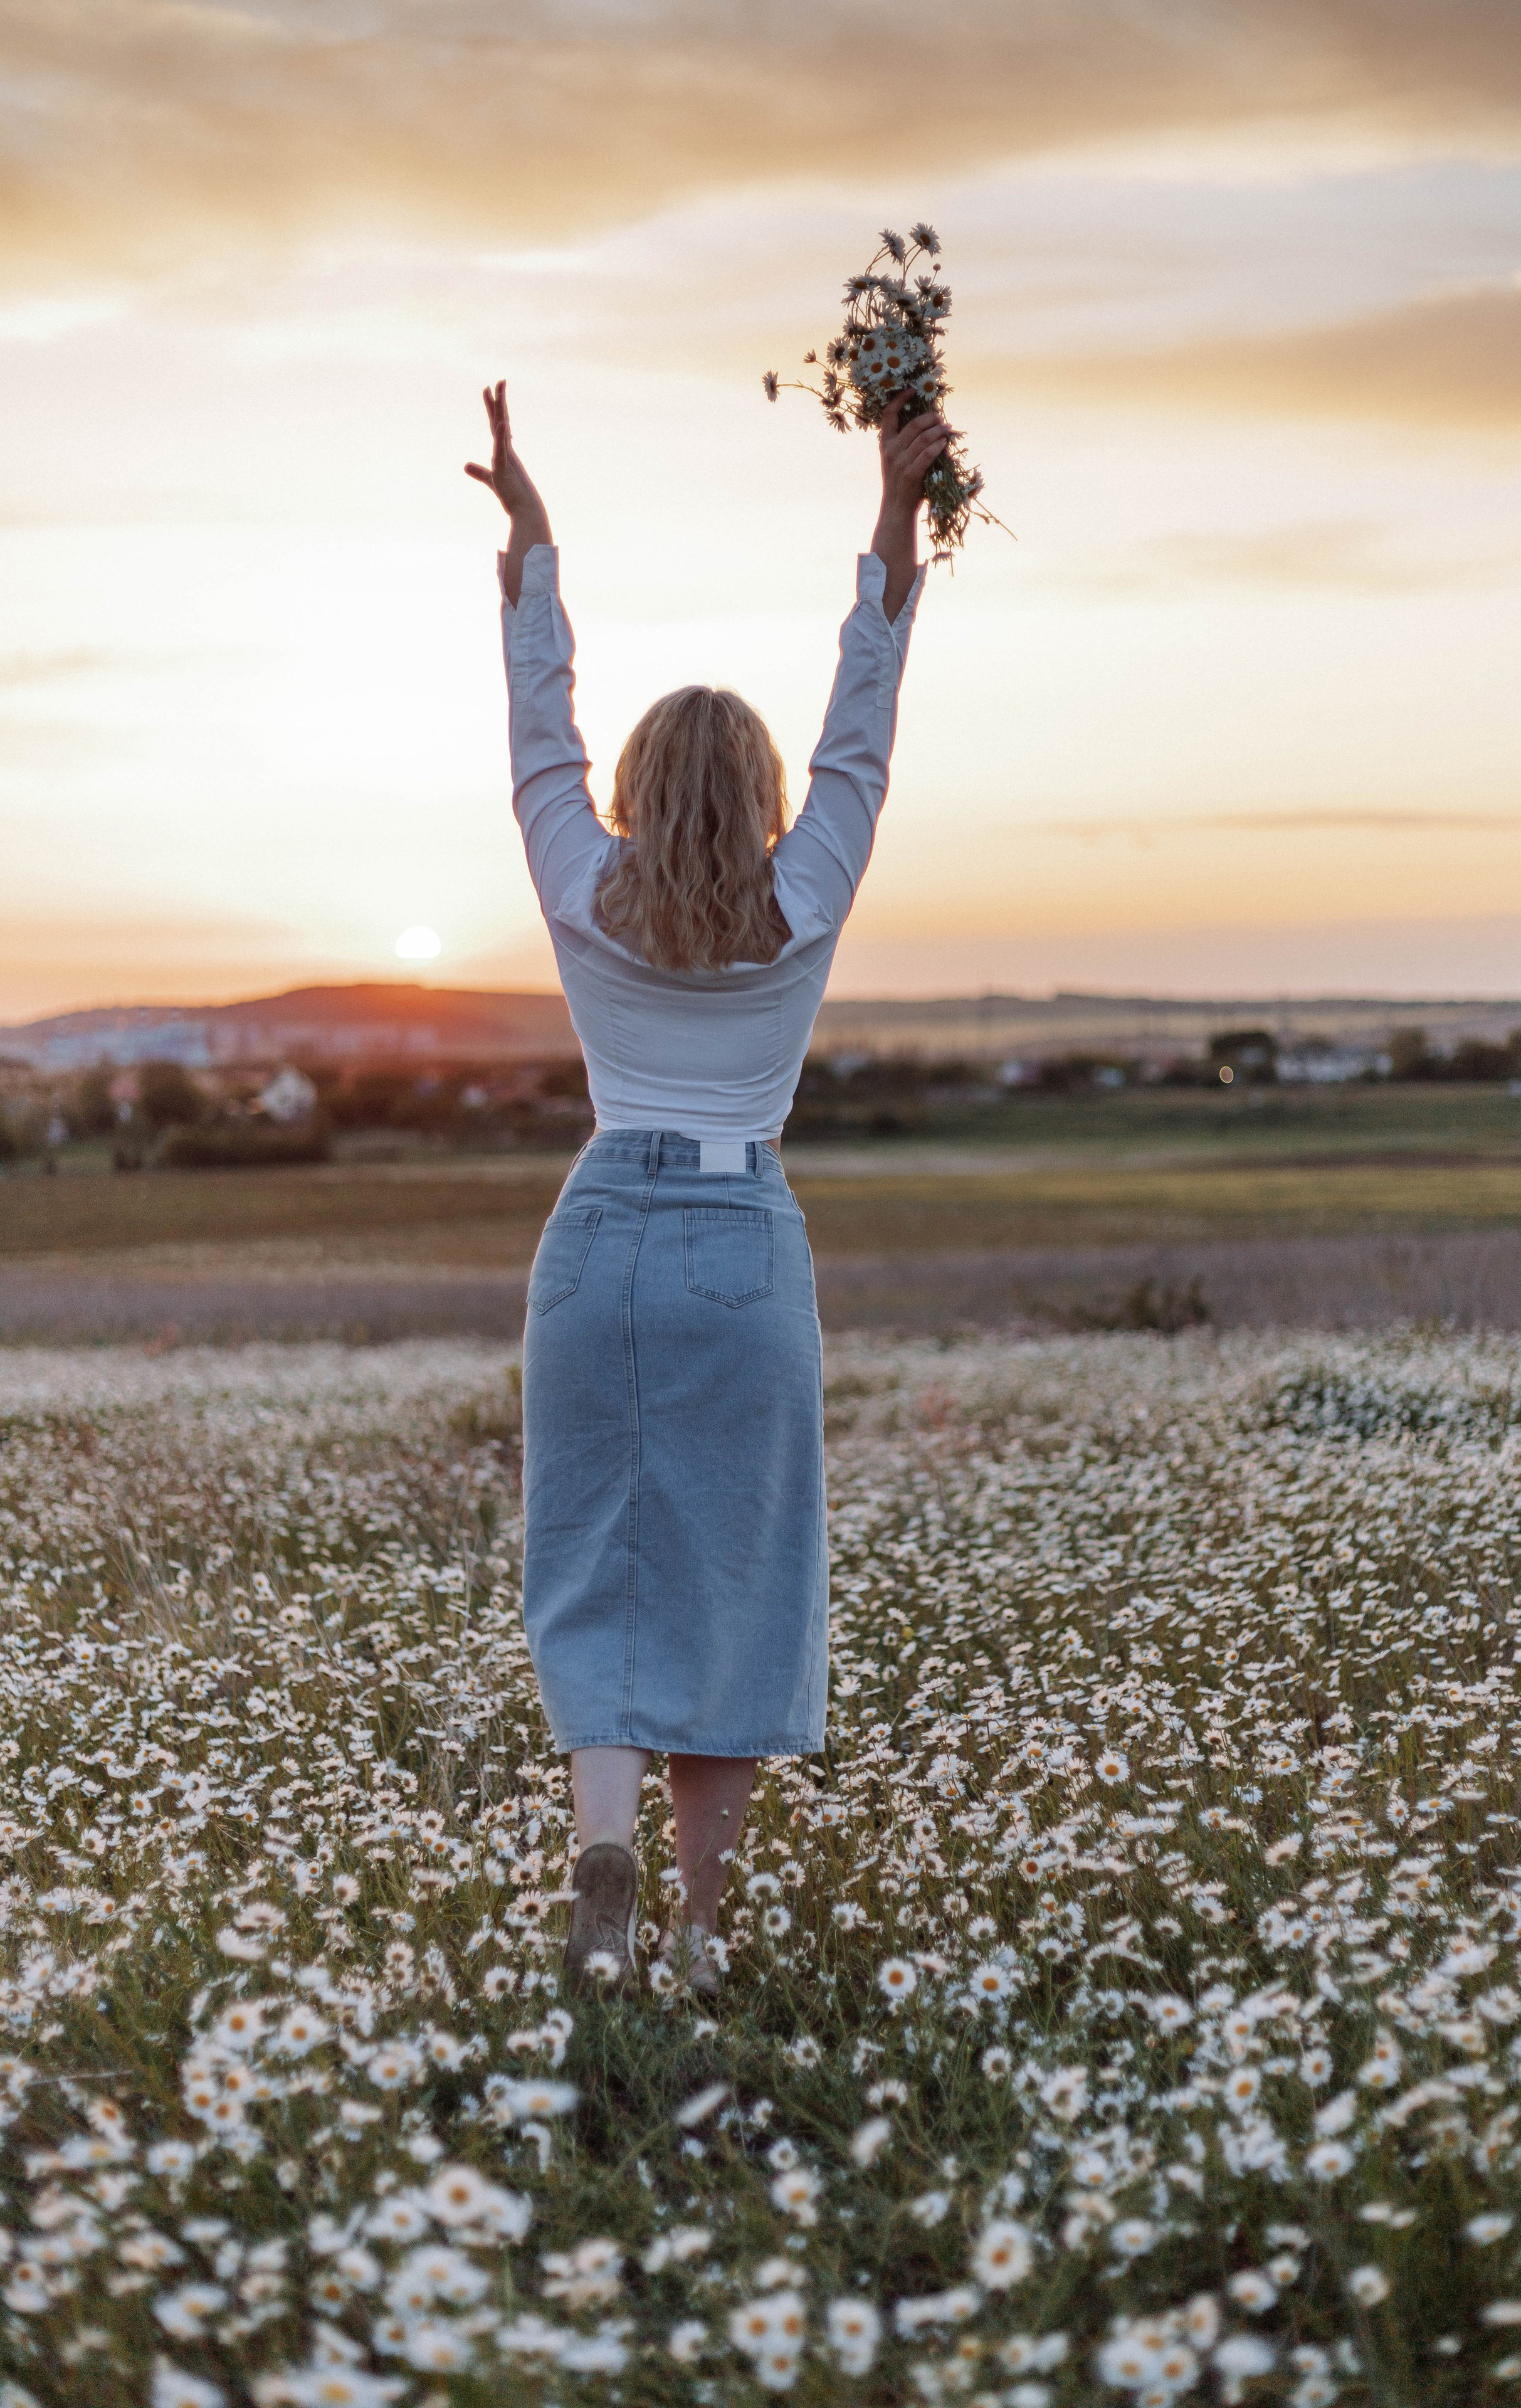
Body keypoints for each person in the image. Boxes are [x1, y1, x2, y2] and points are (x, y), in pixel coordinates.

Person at [465, 379, 945, 1995]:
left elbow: (542, 732)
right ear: (755, 802)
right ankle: (691, 1939)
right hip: (745, 1236)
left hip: (597, 1236)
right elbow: (861, 727)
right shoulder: (803, 897)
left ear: (630, 798)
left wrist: (534, 552)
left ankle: (599, 1840)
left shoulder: (576, 889)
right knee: (735, 1580)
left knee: (595, 1552)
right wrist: (892, 526)